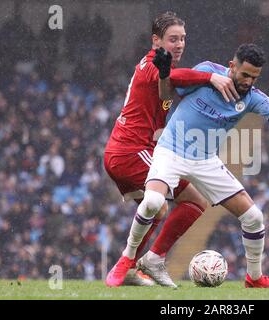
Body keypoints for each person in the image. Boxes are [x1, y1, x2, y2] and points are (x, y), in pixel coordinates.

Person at [126, 43, 269, 288]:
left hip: (205, 160)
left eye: (254, 77)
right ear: (232, 66)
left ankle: (255, 278)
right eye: (245, 74)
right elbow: (166, 94)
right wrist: (168, 73)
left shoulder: (252, 98)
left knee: (253, 217)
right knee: (153, 202)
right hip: (170, 150)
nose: (249, 81)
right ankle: (127, 259)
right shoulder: (206, 71)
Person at [104, 12, 239, 288]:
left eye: (183, 39)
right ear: (156, 41)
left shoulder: (161, 68)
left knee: (169, 208)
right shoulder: (154, 64)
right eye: (172, 39)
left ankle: (138, 266)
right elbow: (175, 80)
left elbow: (166, 94)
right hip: (129, 151)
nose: (179, 45)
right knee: (188, 202)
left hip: (132, 150)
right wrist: (211, 77)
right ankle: (130, 263)